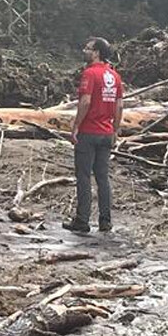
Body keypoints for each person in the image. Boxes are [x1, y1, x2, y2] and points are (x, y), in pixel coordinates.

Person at [64, 38, 124, 234]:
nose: (85, 50)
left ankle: (82, 220)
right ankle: (105, 221)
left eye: (88, 48)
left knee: (83, 176)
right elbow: (119, 105)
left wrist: (75, 126)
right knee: (102, 178)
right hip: (106, 133)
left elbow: (85, 102)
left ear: (97, 52)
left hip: (89, 131)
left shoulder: (90, 74)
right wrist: (115, 129)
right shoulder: (114, 76)